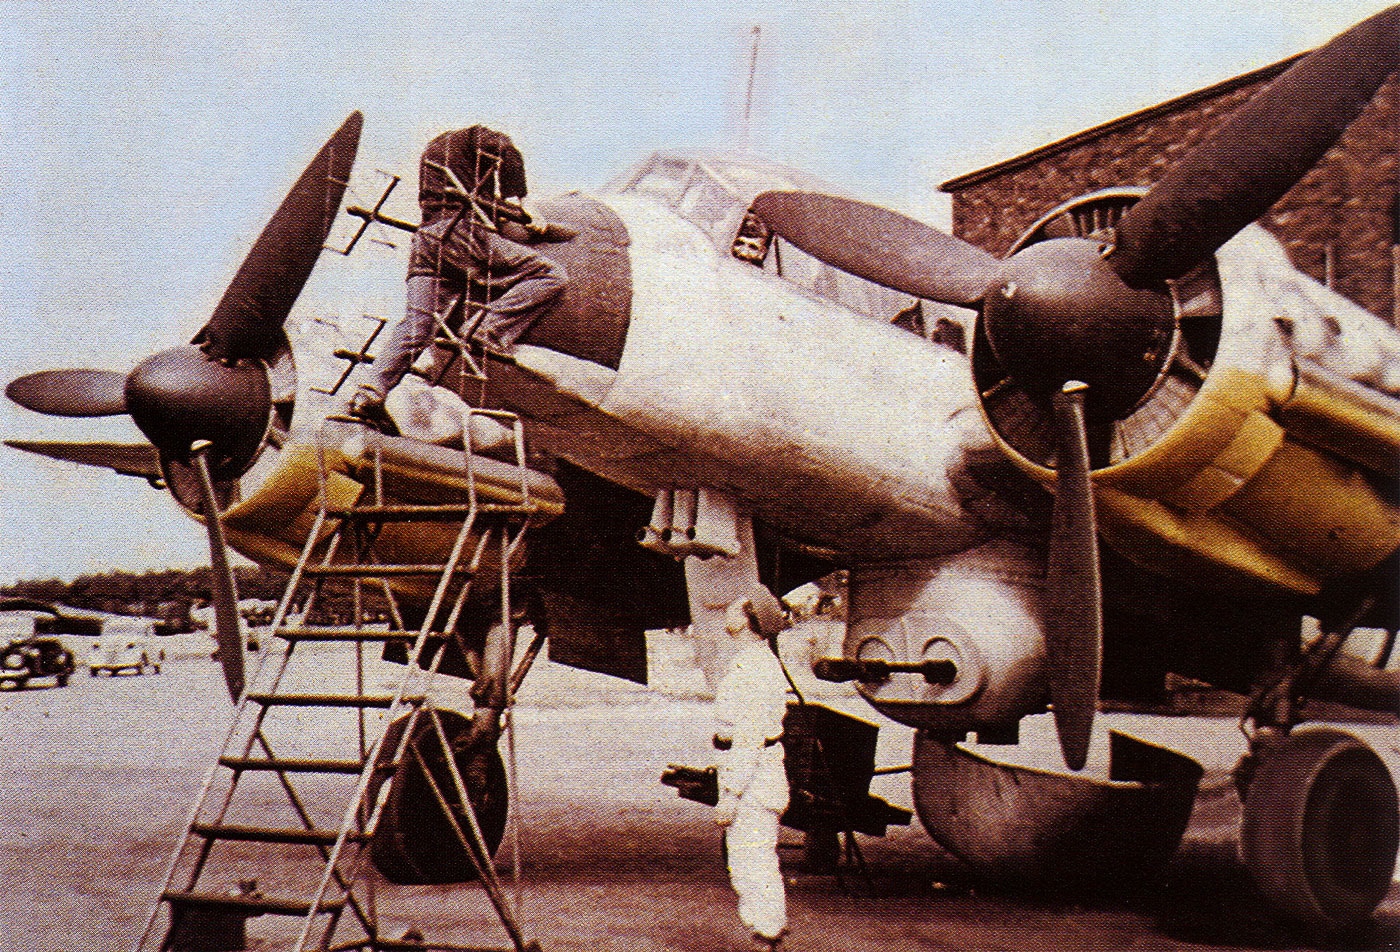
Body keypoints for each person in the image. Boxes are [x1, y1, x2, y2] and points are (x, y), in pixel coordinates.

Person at [347, 126, 567, 424]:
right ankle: (487, 330)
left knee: (417, 325)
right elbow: (504, 147)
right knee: (550, 274)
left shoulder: (438, 154)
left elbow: (479, 201)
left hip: (426, 242)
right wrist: (523, 202)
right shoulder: (474, 136)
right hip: (460, 234)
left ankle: (370, 393)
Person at [713, 597, 791, 952]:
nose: (726, 611)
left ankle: (768, 936)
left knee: (753, 860)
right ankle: (766, 931)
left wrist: (730, 795)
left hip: (754, 777)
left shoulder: (756, 668)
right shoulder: (751, 661)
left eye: (735, 608)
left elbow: (749, 738)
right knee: (748, 859)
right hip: (753, 769)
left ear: (747, 622)